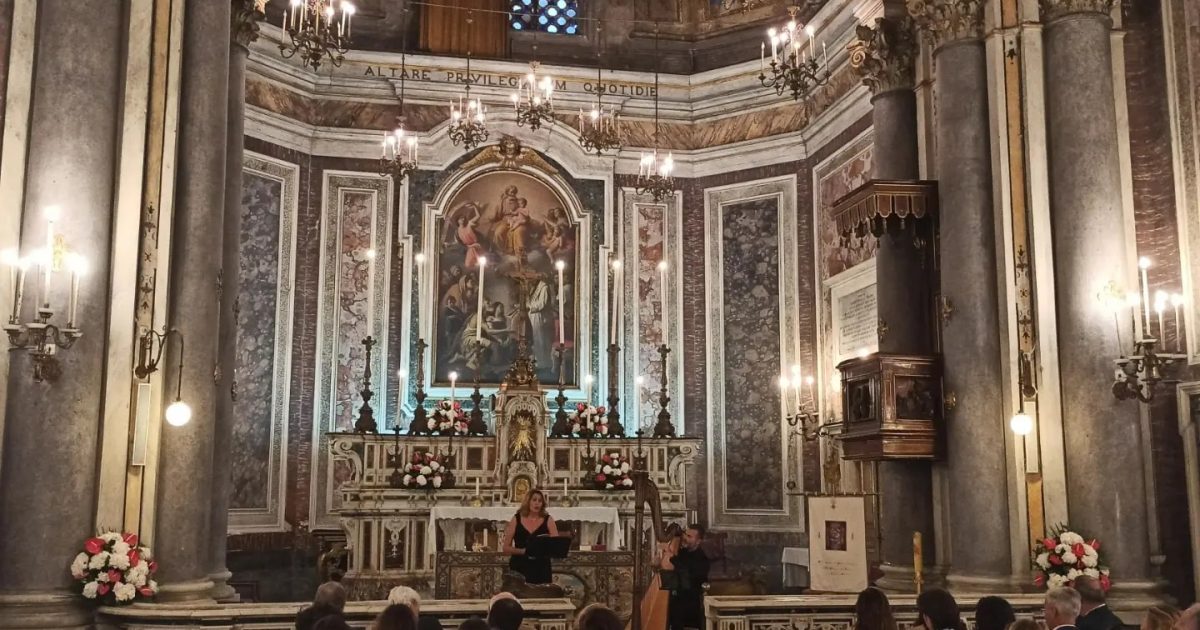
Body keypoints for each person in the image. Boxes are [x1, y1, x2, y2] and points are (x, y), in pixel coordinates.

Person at [503, 489, 559, 584]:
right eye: (534, 500)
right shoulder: (516, 519)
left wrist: (543, 549)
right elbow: (505, 548)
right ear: (528, 502)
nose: (537, 503)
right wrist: (524, 551)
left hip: (541, 566)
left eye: (540, 501)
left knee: (540, 596)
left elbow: (557, 546)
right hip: (520, 565)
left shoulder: (548, 520)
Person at [664, 524, 710, 630]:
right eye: (685, 534)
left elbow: (688, 578)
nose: (684, 537)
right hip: (677, 598)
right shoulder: (682, 552)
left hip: (690, 603)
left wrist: (673, 559)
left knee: (675, 608)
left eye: (689, 536)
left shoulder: (702, 560)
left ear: (698, 541)